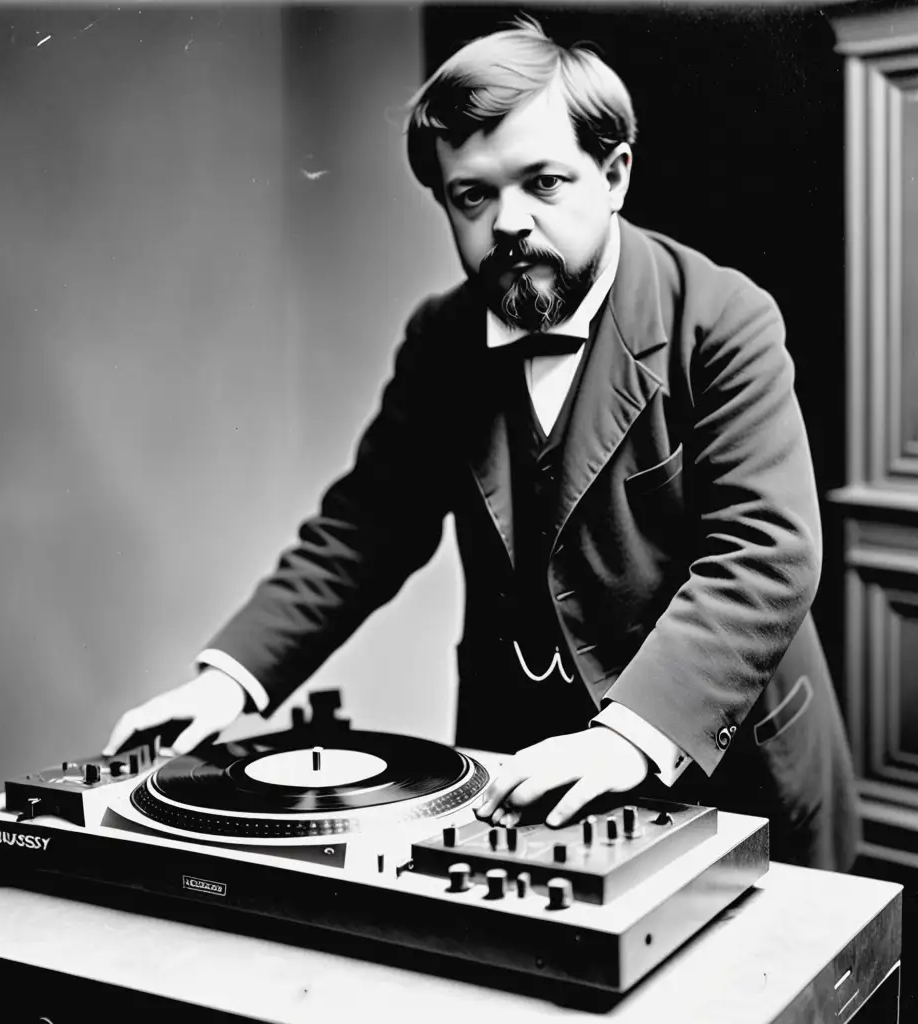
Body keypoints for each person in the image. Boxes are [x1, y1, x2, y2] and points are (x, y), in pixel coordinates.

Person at [103, 19, 860, 870]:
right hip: (521, 762)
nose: (508, 223)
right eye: (474, 195)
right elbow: (365, 528)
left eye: (543, 182)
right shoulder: (439, 340)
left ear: (612, 176)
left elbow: (765, 552)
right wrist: (230, 679)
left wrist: (628, 737)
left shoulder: (723, 318)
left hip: (725, 762)